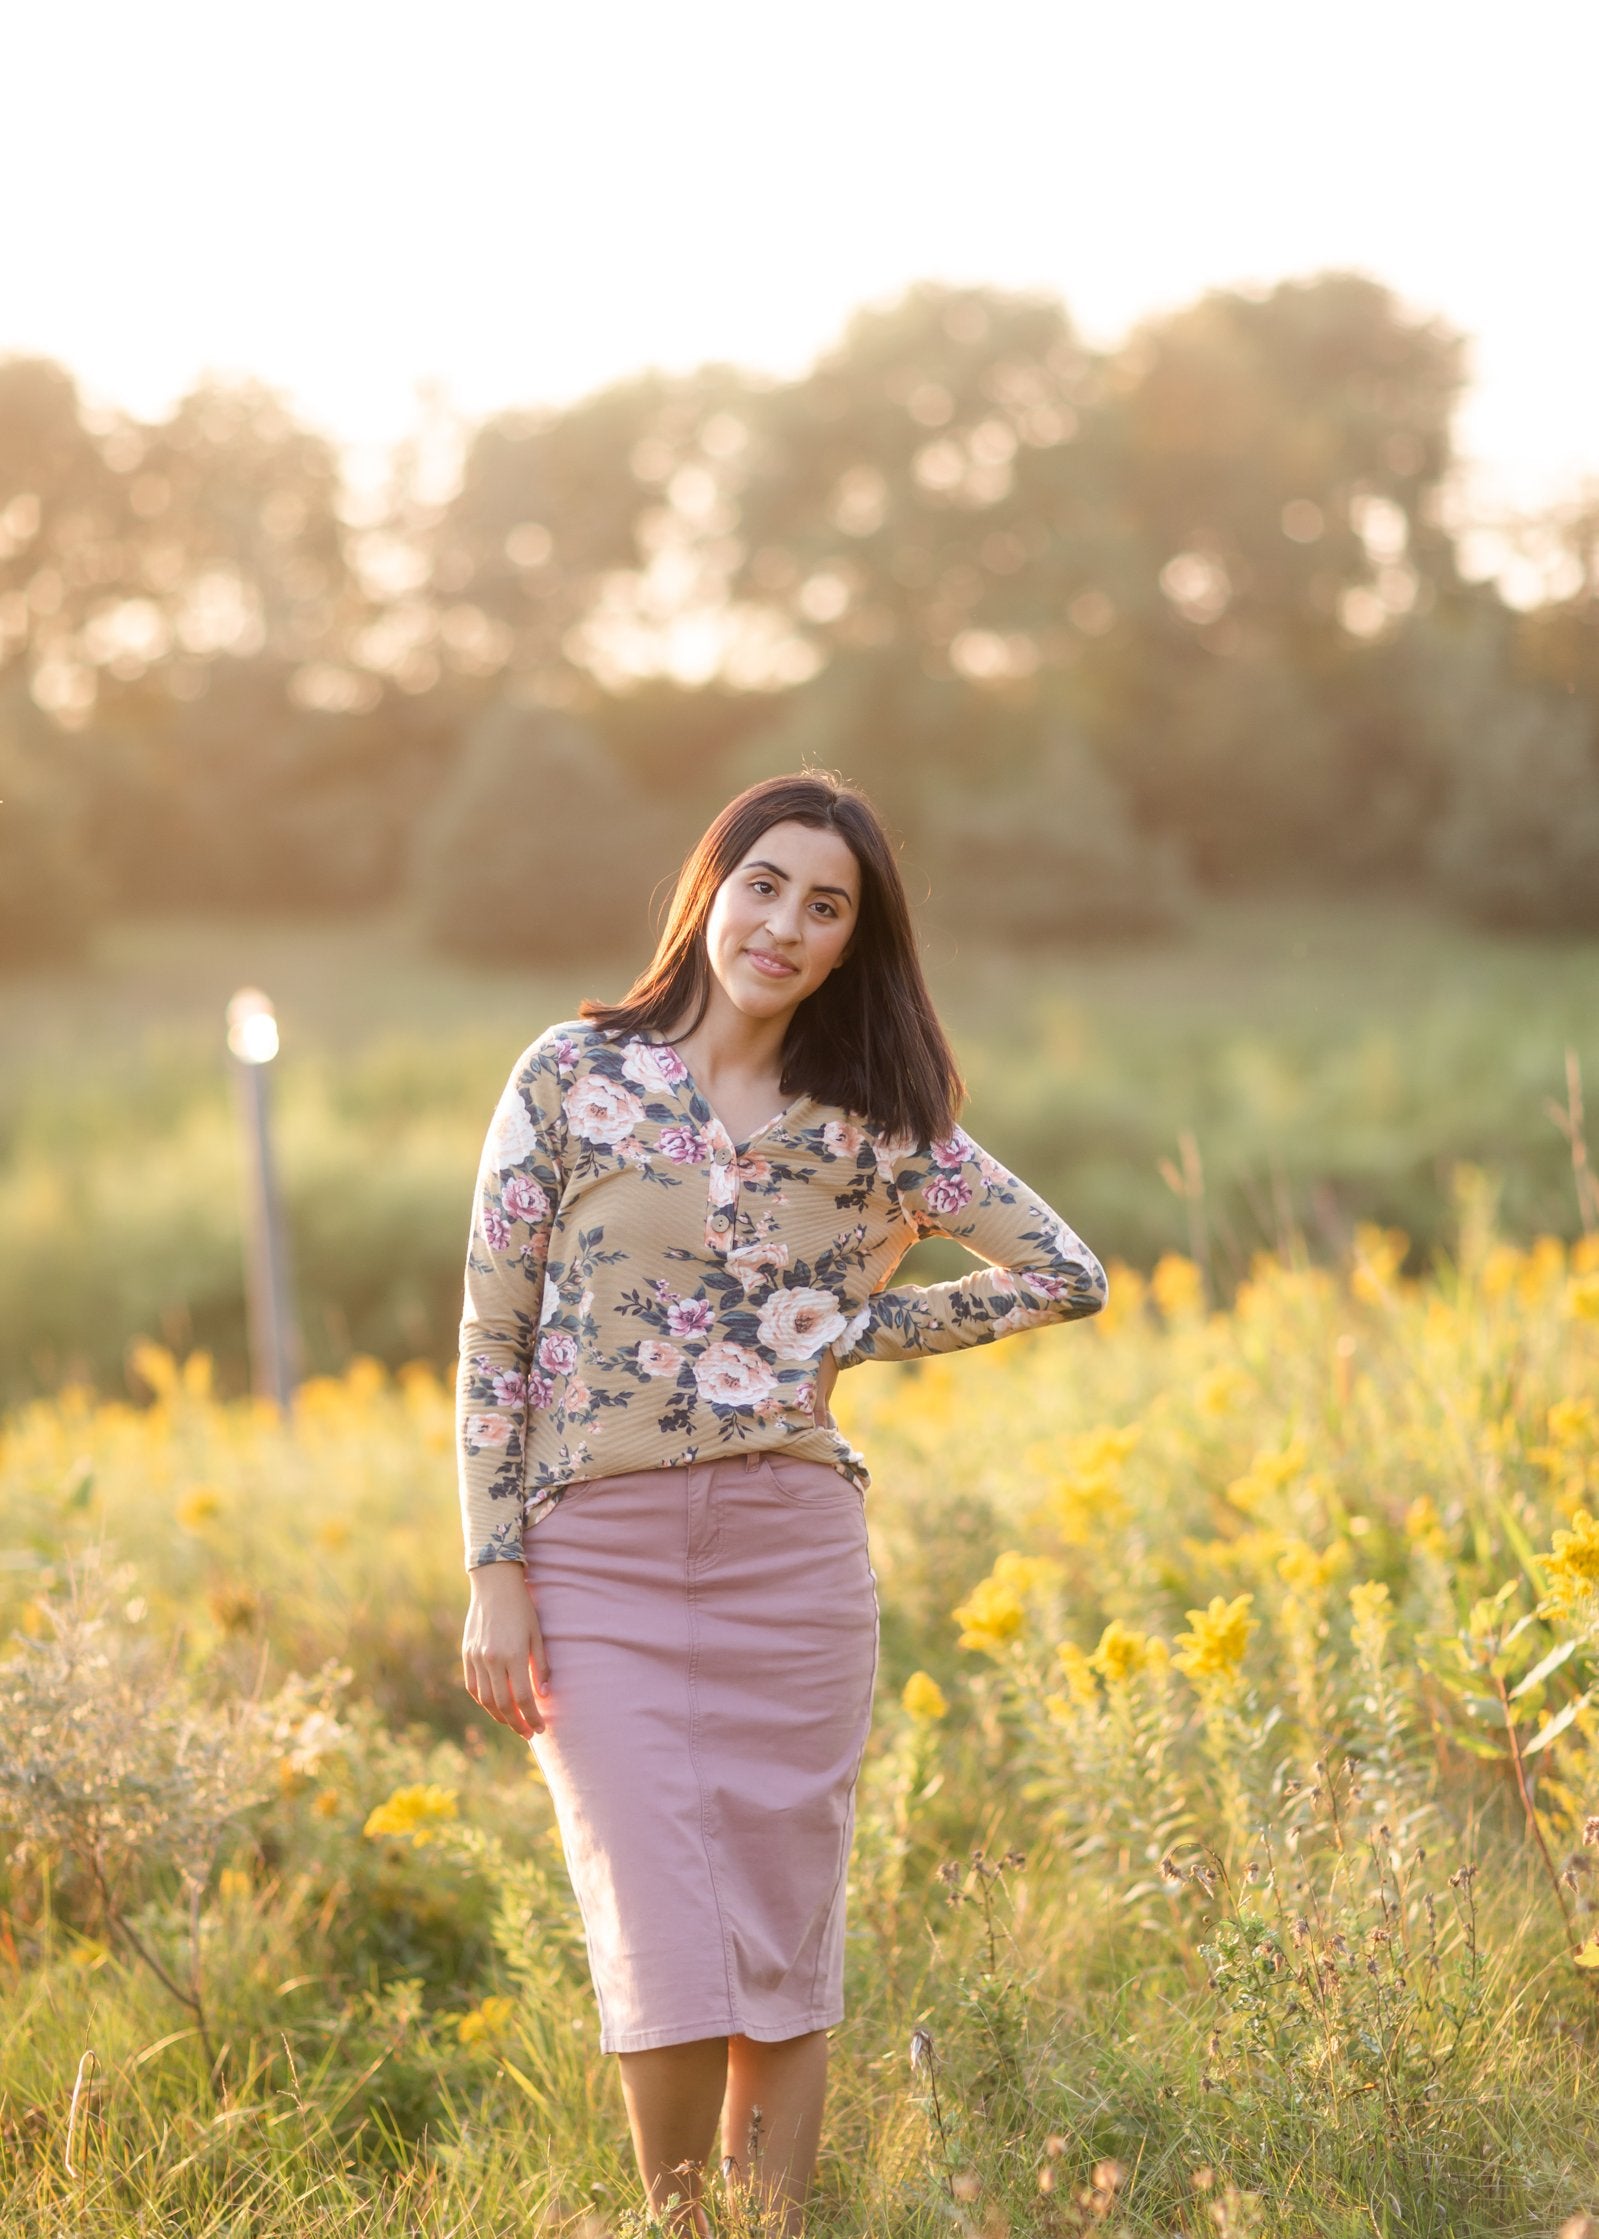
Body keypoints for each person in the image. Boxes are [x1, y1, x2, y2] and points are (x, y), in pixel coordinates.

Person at [456, 770, 1107, 2233]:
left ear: (848, 944)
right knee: (666, 1931)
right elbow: (493, 1336)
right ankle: (678, 2224)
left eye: (827, 908)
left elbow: (1070, 1271)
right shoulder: (571, 1072)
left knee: (780, 1937)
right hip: (596, 1565)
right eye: (766, 885)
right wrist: (494, 1566)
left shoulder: (875, 1121)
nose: (787, 925)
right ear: (712, 889)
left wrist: (854, 1330)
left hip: (791, 1568)